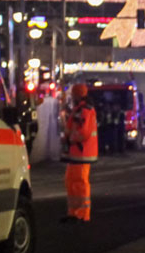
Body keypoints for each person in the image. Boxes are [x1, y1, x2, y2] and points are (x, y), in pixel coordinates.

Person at [62, 84, 98, 224]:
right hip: (76, 152)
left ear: (77, 95)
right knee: (71, 181)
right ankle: (74, 213)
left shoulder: (85, 110)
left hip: (81, 152)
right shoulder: (80, 109)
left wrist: (70, 138)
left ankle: (82, 214)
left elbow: (83, 132)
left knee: (80, 182)